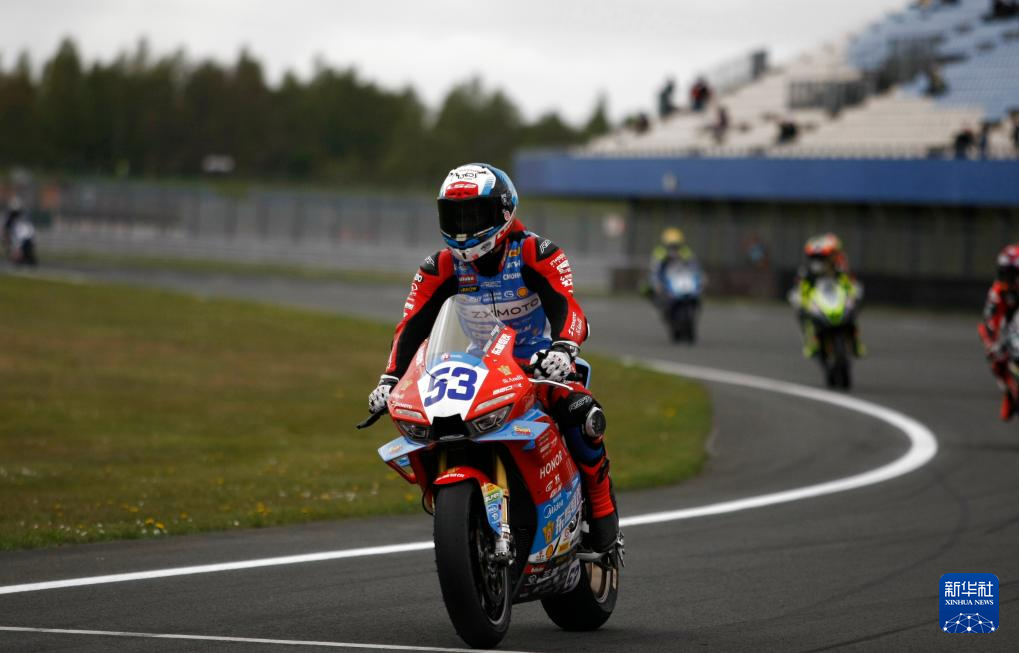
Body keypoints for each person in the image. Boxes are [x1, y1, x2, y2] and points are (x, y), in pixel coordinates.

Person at [366, 163, 619, 552]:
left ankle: (602, 513)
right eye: (454, 216)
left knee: (582, 412)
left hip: (539, 362)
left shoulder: (537, 252)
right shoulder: (439, 266)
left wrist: (564, 347)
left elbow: (567, 307)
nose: (463, 229)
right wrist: (389, 379)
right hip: (474, 364)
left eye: (474, 215)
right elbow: (411, 325)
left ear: (504, 211)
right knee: (429, 422)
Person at [793, 233, 864, 358]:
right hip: (817, 303)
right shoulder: (807, 272)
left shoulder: (840, 268)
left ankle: (855, 343)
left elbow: (850, 285)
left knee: (851, 315)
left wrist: (854, 295)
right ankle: (811, 342)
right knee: (804, 317)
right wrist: (802, 302)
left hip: (836, 300)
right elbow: (801, 290)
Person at [978, 244, 1019, 420]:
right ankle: (1009, 392)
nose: (1006, 278)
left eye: (1010, 274)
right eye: (1003, 273)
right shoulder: (998, 290)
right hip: (1011, 332)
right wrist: (991, 343)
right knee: (996, 358)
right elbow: (989, 321)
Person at [648, 227, 698, 296]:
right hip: (665, 274)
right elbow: (655, 268)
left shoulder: (685, 250)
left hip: (681, 274)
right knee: (655, 278)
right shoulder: (660, 251)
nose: (673, 247)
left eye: (675, 245)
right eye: (671, 245)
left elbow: (693, 265)